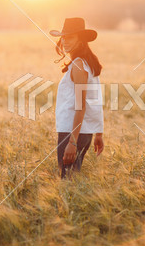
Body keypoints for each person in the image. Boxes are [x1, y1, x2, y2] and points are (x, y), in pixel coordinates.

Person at [50, 17, 104, 179]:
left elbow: (81, 106)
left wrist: (72, 143)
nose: (65, 41)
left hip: (72, 132)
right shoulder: (86, 62)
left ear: (81, 40)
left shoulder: (79, 65)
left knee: (68, 182)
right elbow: (94, 100)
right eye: (64, 37)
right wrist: (98, 133)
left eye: (70, 37)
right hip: (83, 131)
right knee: (73, 182)